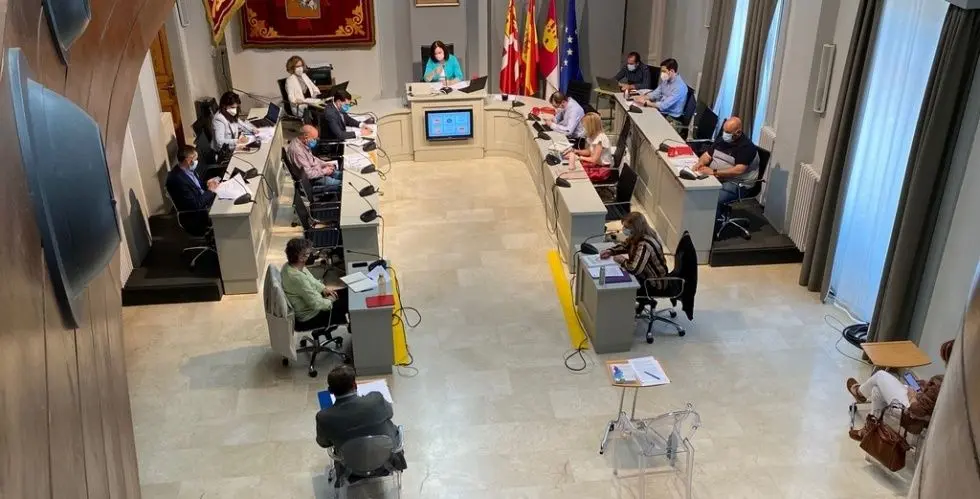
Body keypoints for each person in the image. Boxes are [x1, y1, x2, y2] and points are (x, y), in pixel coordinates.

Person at [846, 340, 955, 440]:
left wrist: (912, 396)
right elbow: (932, 402)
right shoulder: (953, 381)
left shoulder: (940, 383)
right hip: (919, 407)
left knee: (880, 375)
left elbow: (918, 411)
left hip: (911, 416)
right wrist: (926, 388)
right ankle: (870, 430)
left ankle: (859, 392)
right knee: (876, 390)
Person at [315, 365, 406, 476]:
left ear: (330, 391)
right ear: (355, 385)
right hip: (386, 463)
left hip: (350, 469)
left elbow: (323, 443)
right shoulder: (376, 399)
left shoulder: (324, 417)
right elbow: (390, 414)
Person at [692, 116, 759, 219]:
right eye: (724, 131)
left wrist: (713, 172)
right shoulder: (722, 140)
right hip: (718, 176)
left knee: (713, 198)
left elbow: (738, 170)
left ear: (738, 132)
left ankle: (712, 225)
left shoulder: (747, 148)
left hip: (737, 183)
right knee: (694, 188)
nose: (724, 134)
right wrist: (700, 163)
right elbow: (707, 155)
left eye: (727, 132)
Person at [280, 238, 349, 331]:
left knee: (349, 292)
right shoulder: (297, 278)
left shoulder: (292, 266)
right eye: (309, 253)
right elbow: (316, 304)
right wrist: (330, 300)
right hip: (311, 316)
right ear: (301, 257)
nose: (312, 255)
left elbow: (313, 281)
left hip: (316, 302)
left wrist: (324, 289)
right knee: (349, 303)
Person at [600, 212, 669, 296]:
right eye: (624, 226)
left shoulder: (645, 244)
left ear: (635, 228)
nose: (624, 229)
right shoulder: (637, 235)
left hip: (654, 284)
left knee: (618, 289)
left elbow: (634, 269)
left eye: (627, 227)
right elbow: (625, 246)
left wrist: (622, 260)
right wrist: (611, 251)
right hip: (644, 275)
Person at [286, 125, 342, 192]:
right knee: (342, 185)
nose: (315, 141)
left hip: (318, 171)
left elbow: (312, 158)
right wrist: (324, 171)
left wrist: (324, 164)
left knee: (342, 175)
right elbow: (308, 174)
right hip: (312, 181)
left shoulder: (303, 142)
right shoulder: (297, 152)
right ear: (306, 136)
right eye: (314, 139)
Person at [165, 145, 219, 211]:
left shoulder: (187, 168)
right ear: (188, 160)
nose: (197, 161)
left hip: (204, 200)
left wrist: (207, 183)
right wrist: (210, 191)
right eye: (195, 159)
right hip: (201, 211)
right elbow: (196, 205)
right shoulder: (178, 181)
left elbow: (196, 186)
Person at [564, 112, 613, 182]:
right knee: (570, 170)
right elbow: (589, 152)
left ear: (591, 126)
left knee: (574, 174)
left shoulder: (601, 139)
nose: (583, 127)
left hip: (601, 170)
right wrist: (576, 151)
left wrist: (579, 157)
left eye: (585, 125)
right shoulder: (593, 136)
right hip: (595, 165)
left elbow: (594, 159)